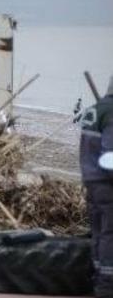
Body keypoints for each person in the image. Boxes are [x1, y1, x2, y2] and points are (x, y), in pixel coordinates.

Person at [82, 76, 113, 297]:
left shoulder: (94, 109)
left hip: (91, 181)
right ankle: (107, 285)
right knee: (110, 233)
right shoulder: (111, 112)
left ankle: (96, 279)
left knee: (98, 232)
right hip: (108, 183)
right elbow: (110, 156)